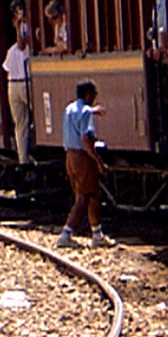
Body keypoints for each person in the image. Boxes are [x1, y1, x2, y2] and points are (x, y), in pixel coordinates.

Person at [56, 80, 116, 249]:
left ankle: (97, 233)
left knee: (92, 194)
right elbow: (85, 139)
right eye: (94, 94)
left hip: (69, 156)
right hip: (82, 157)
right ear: (88, 94)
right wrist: (98, 161)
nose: (95, 98)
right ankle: (66, 234)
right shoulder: (86, 112)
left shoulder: (69, 109)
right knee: (83, 197)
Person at [2, 0, 32, 164]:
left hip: (13, 84)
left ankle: (23, 159)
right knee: (22, 123)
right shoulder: (14, 49)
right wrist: (18, 27)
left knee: (21, 124)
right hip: (21, 82)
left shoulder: (12, 50)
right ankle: (24, 159)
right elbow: (22, 44)